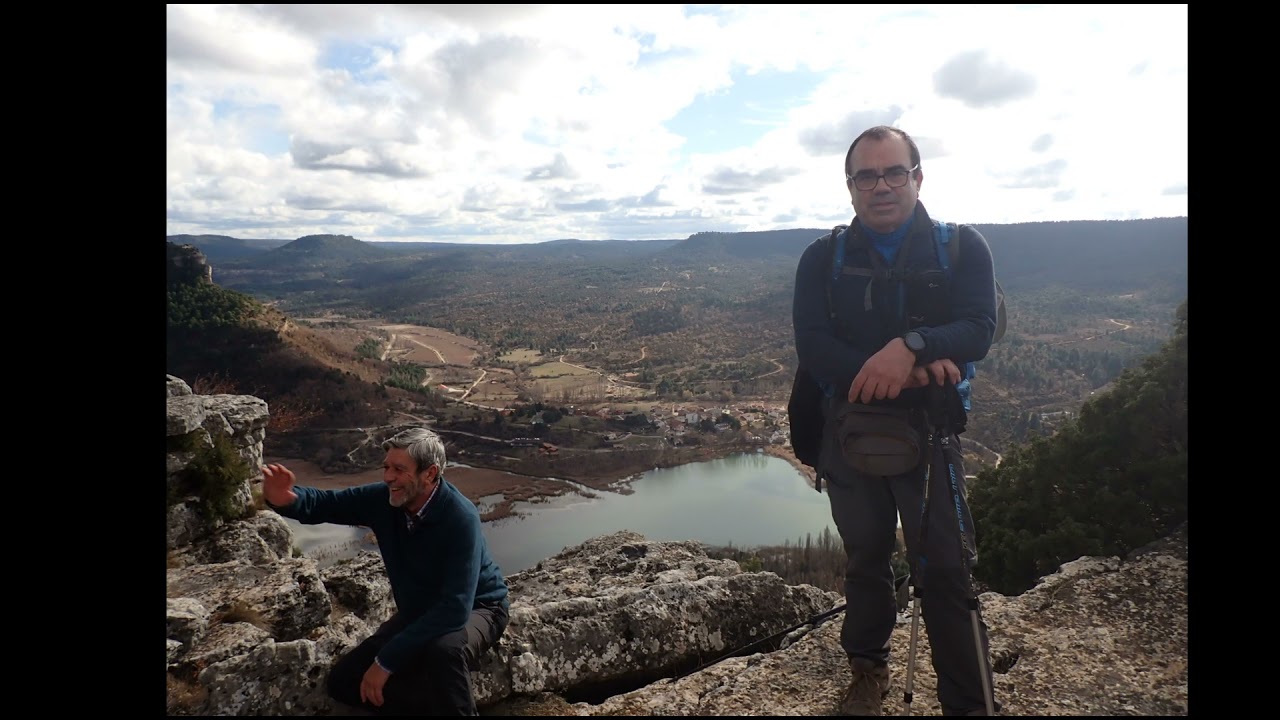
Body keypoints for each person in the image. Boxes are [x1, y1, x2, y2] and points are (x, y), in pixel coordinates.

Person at [791, 126, 1000, 716]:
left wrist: (911, 344)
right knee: (866, 558)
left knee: (949, 574)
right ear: (851, 186)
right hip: (849, 433)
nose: (881, 186)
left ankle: (968, 703)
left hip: (930, 435)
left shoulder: (961, 247)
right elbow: (813, 347)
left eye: (894, 172)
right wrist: (903, 369)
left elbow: (979, 329)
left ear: (917, 177)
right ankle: (867, 669)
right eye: (866, 175)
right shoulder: (821, 258)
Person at [262, 427, 509, 716]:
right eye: (386, 467)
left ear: (429, 474)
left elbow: (455, 608)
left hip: (479, 608)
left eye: (399, 469)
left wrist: (386, 662)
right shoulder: (384, 499)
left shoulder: (459, 517)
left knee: (443, 651)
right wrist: (288, 500)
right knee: (344, 681)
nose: (388, 477)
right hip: (420, 612)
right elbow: (329, 503)